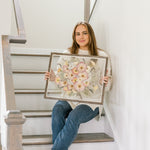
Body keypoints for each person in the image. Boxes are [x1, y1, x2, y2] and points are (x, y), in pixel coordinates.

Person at [45, 21, 112, 150]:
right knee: (57, 110)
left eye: (85, 33)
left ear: (91, 35)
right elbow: (61, 82)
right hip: (70, 98)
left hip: (92, 101)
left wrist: (104, 82)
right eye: (78, 34)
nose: (81, 36)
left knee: (73, 116)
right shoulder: (68, 53)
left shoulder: (102, 56)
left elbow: (107, 87)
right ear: (74, 37)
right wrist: (53, 78)